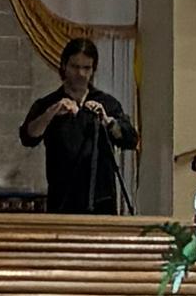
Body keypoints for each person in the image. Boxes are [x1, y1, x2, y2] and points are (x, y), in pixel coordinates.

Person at [19, 37, 133, 216]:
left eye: (86, 68)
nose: (80, 73)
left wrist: (107, 121)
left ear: (93, 69)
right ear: (64, 66)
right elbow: (28, 137)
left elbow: (130, 139)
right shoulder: (48, 103)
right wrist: (51, 113)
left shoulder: (107, 103)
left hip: (101, 200)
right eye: (74, 67)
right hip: (62, 199)